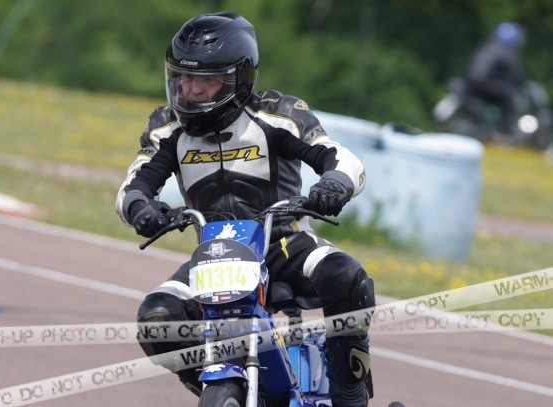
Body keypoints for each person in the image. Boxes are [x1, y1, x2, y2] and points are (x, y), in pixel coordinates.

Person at [116, 11, 374, 406]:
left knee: (347, 277)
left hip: (284, 245)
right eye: (182, 78)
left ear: (238, 79)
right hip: (216, 255)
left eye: (205, 80)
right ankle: (223, 385)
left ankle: (349, 393)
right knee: (157, 318)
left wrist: (333, 185)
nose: (190, 90)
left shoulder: (276, 113)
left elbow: (342, 159)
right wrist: (140, 208)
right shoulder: (167, 128)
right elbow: (132, 187)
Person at [460, 21, 528, 136]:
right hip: (485, 83)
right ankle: (504, 131)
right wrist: (524, 82)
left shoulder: (486, 45)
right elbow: (515, 72)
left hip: (469, 82)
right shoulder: (506, 51)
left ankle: (483, 126)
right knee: (510, 97)